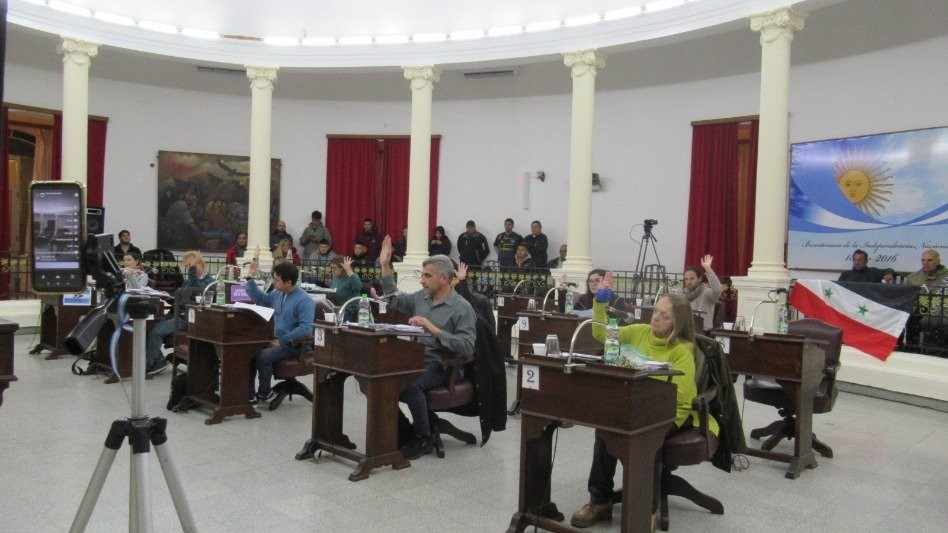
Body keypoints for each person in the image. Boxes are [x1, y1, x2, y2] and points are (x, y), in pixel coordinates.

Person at [570, 272, 718, 528]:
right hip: (636, 408)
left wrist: (652, 422)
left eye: (664, 316)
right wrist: (600, 301)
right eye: (656, 311)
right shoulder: (639, 332)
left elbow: (681, 400)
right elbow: (602, 334)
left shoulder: (681, 351)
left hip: (672, 414)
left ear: (678, 323)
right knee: (605, 429)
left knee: (643, 437)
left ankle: (647, 509)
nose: (656, 317)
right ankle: (600, 499)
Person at [378, 235, 476, 459]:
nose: (421, 281)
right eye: (422, 275)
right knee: (381, 379)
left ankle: (424, 437)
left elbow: (467, 347)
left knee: (412, 385)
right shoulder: (421, 298)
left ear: (444, 279)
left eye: (427, 276)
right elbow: (395, 300)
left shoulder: (462, 308)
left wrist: (434, 330)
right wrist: (385, 266)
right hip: (418, 359)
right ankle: (405, 432)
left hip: (445, 364)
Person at [243, 260, 316, 405]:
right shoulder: (277, 294)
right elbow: (261, 299)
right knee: (249, 351)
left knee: (263, 356)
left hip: (296, 345)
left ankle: (265, 393)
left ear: (288, 282)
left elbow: (305, 329)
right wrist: (250, 279)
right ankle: (249, 395)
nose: (273, 283)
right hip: (277, 340)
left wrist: (282, 341)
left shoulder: (305, 300)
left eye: (277, 280)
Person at [145, 251, 215, 375]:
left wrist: (192, 271)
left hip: (188, 318)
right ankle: (159, 360)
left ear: (201, 263)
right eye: (187, 266)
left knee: (156, 332)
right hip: (176, 313)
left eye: (191, 265)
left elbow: (198, 290)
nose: (189, 268)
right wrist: (167, 297)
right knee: (147, 328)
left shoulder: (210, 282)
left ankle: (148, 366)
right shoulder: (188, 281)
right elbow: (181, 300)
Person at [682, 254, 723, 324]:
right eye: (686, 279)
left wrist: (708, 269)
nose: (689, 282)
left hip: (703, 329)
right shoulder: (683, 295)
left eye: (692, 279)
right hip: (686, 328)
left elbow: (717, 289)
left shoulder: (707, 294)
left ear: (699, 279)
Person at [329, 255, 363, 322]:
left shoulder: (351, 277)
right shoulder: (335, 279)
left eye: (335, 268)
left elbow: (358, 286)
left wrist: (348, 270)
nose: (332, 270)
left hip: (349, 311)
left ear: (342, 268)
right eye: (331, 267)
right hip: (337, 310)